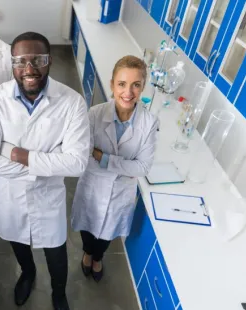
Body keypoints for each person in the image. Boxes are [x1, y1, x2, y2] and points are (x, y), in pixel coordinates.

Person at [0, 32, 90, 310]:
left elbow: (76, 163)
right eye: (21, 60)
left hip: (49, 199)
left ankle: (59, 291)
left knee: (56, 252)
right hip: (10, 197)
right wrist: (43, 165)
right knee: (18, 241)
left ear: (49, 61)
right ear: (12, 63)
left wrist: (15, 153)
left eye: (38, 60)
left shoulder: (72, 102)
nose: (29, 68)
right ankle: (27, 274)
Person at [71, 55, 159, 282]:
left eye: (136, 85)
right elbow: (84, 155)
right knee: (88, 227)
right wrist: (123, 165)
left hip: (120, 193)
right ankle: (88, 253)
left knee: (107, 234)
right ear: (112, 85)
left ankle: (98, 257)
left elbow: (142, 167)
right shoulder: (94, 114)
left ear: (142, 87)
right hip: (93, 185)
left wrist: (103, 157)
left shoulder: (149, 123)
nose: (128, 92)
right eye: (122, 84)